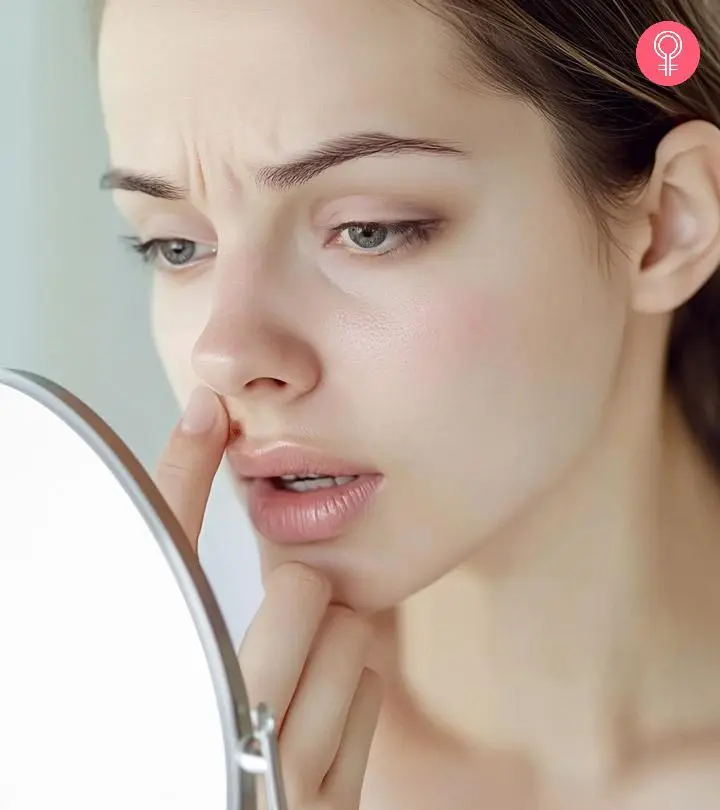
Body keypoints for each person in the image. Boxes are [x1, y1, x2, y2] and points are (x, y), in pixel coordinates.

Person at [92, 0, 720, 806]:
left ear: (670, 225)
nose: (226, 353)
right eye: (175, 246)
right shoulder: (121, 756)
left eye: (370, 229)